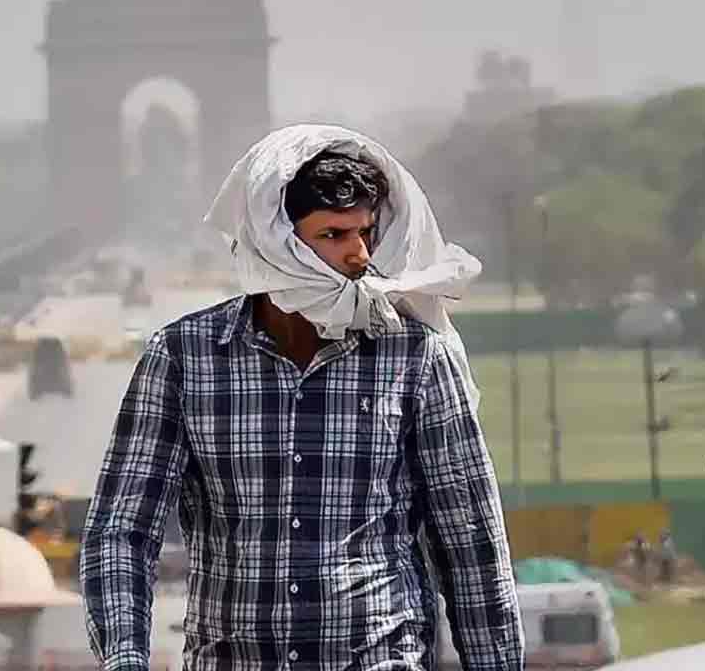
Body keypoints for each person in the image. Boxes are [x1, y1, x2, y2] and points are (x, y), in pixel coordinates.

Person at [81, 125, 523, 670]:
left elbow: (469, 540)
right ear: (277, 243)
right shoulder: (185, 357)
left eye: (365, 233)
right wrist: (125, 657)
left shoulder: (415, 357)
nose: (358, 255)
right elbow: (122, 530)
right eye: (333, 235)